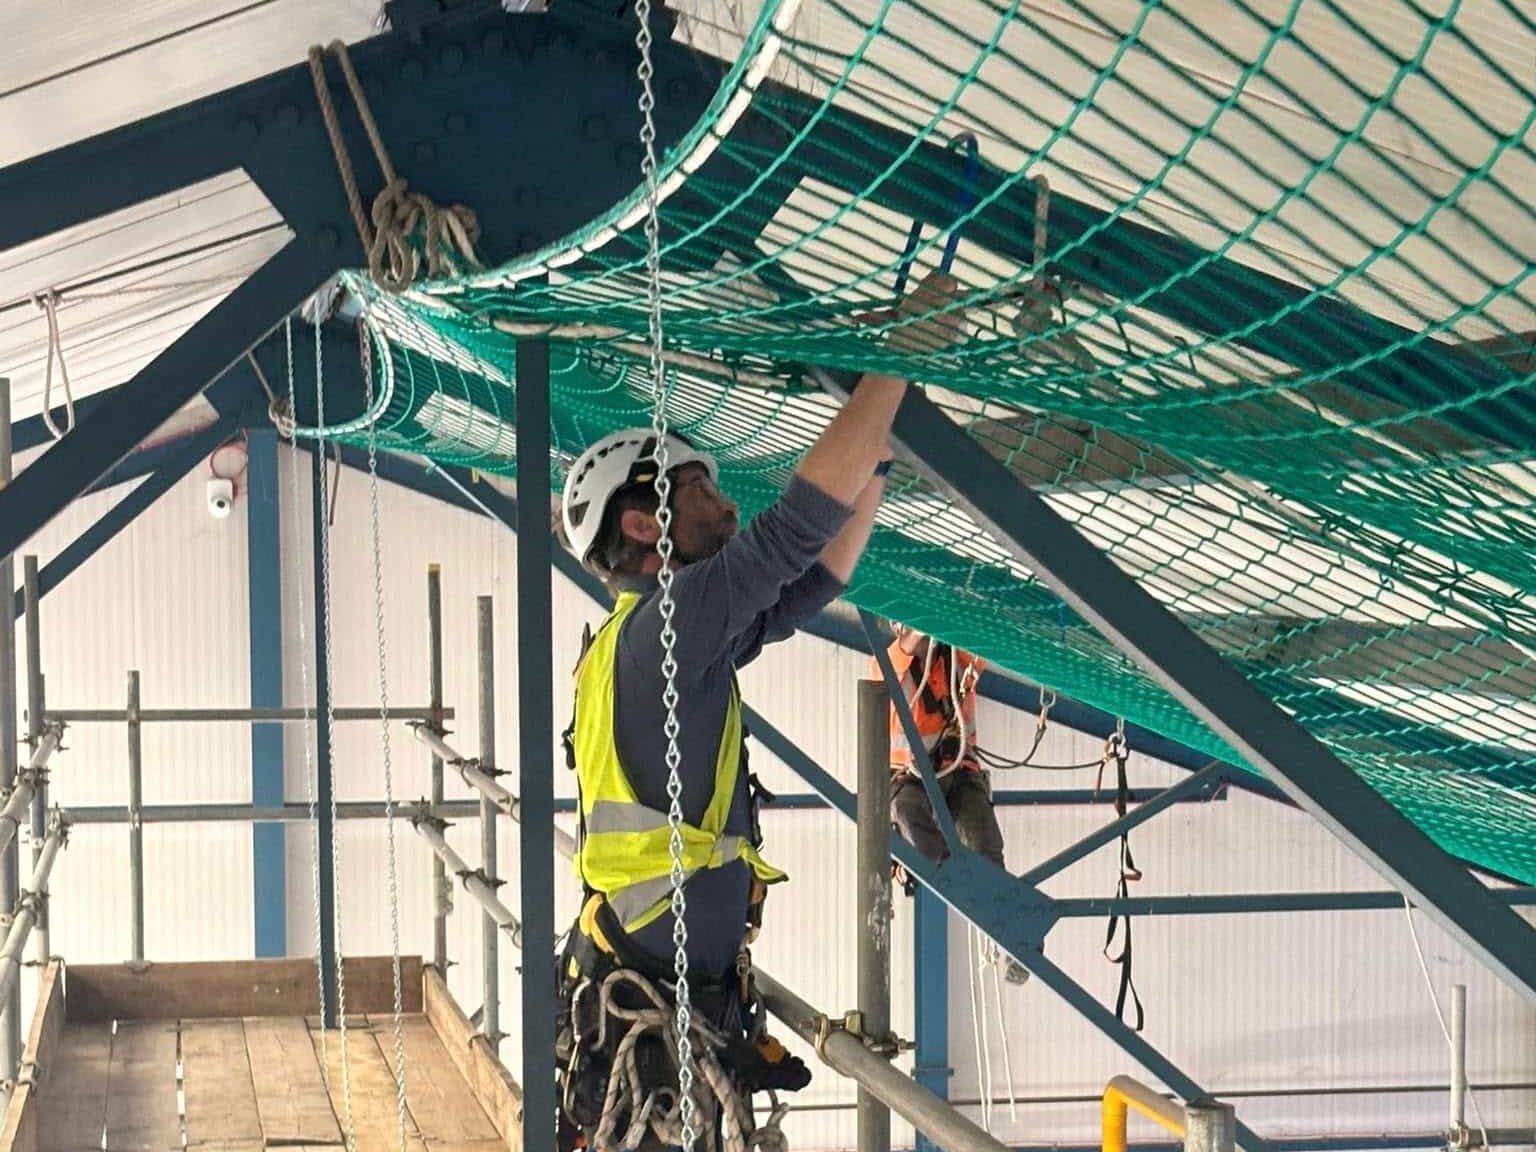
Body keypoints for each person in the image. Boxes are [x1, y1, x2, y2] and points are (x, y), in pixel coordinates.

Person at [553, 274, 966, 1150]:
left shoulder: (652, 639)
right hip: (662, 998)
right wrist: (893, 359)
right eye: (700, 489)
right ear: (642, 526)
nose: (726, 502)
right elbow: (791, 535)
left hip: (662, 993)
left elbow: (812, 581)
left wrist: (877, 447)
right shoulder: (666, 623)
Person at [876, 625, 1030, 984]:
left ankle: (1015, 942)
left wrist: (956, 616)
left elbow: (984, 643)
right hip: (910, 778)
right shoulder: (886, 662)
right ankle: (953, 878)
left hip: (960, 770)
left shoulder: (956, 658)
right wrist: (921, 620)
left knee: (986, 845)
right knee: (910, 817)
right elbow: (903, 652)